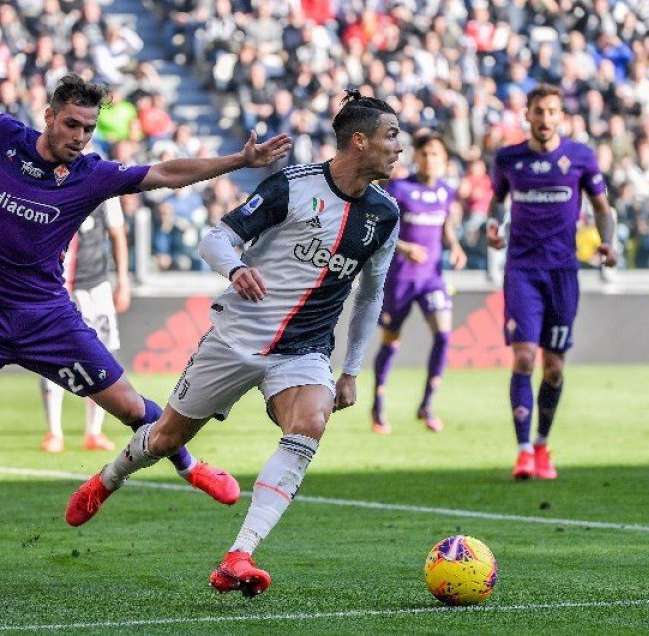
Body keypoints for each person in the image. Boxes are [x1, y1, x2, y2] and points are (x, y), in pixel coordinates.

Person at [0, 5, 290, 562]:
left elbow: (164, 173)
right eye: (72, 125)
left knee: (132, 408)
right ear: (48, 116)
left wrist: (239, 159)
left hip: (46, 317)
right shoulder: (3, 137)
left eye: (89, 128)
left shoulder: (93, 175)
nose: (80, 137)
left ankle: (191, 466)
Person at [64, 90, 403, 597]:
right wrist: (237, 268)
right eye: (391, 136)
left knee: (311, 420)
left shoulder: (384, 215)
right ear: (359, 141)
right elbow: (214, 239)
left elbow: (371, 295)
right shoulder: (292, 186)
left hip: (303, 350)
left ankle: (239, 555)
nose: (399, 147)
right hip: (235, 339)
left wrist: (351, 370)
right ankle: (109, 477)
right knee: (165, 440)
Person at [487, 84, 617, 480]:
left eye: (552, 111)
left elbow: (602, 208)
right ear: (527, 115)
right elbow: (497, 200)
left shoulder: (580, 157)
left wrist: (608, 244)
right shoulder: (509, 159)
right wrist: (494, 225)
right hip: (522, 270)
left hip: (562, 272)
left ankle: (542, 444)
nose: (545, 119)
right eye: (538, 111)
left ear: (562, 116)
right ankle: (523, 451)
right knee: (525, 357)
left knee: (554, 367)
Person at [371, 131, 467, 435]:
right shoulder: (399, 189)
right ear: (417, 157)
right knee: (391, 341)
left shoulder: (445, 192)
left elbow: (445, 224)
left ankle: (427, 404)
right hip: (400, 278)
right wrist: (405, 247)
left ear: (445, 160)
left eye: (436, 154)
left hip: (432, 278)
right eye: (425, 154)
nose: (430, 159)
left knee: (444, 334)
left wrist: (456, 246)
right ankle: (378, 406)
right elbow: (380, 231)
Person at [40, 197, 128, 454]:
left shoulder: (104, 190)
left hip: (97, 288)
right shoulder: (52, 186)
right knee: (52, 357)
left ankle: (94, 431)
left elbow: (117, 234)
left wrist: (122, 280)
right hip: (59, 287)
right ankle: (54, 432)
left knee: (102, 356)